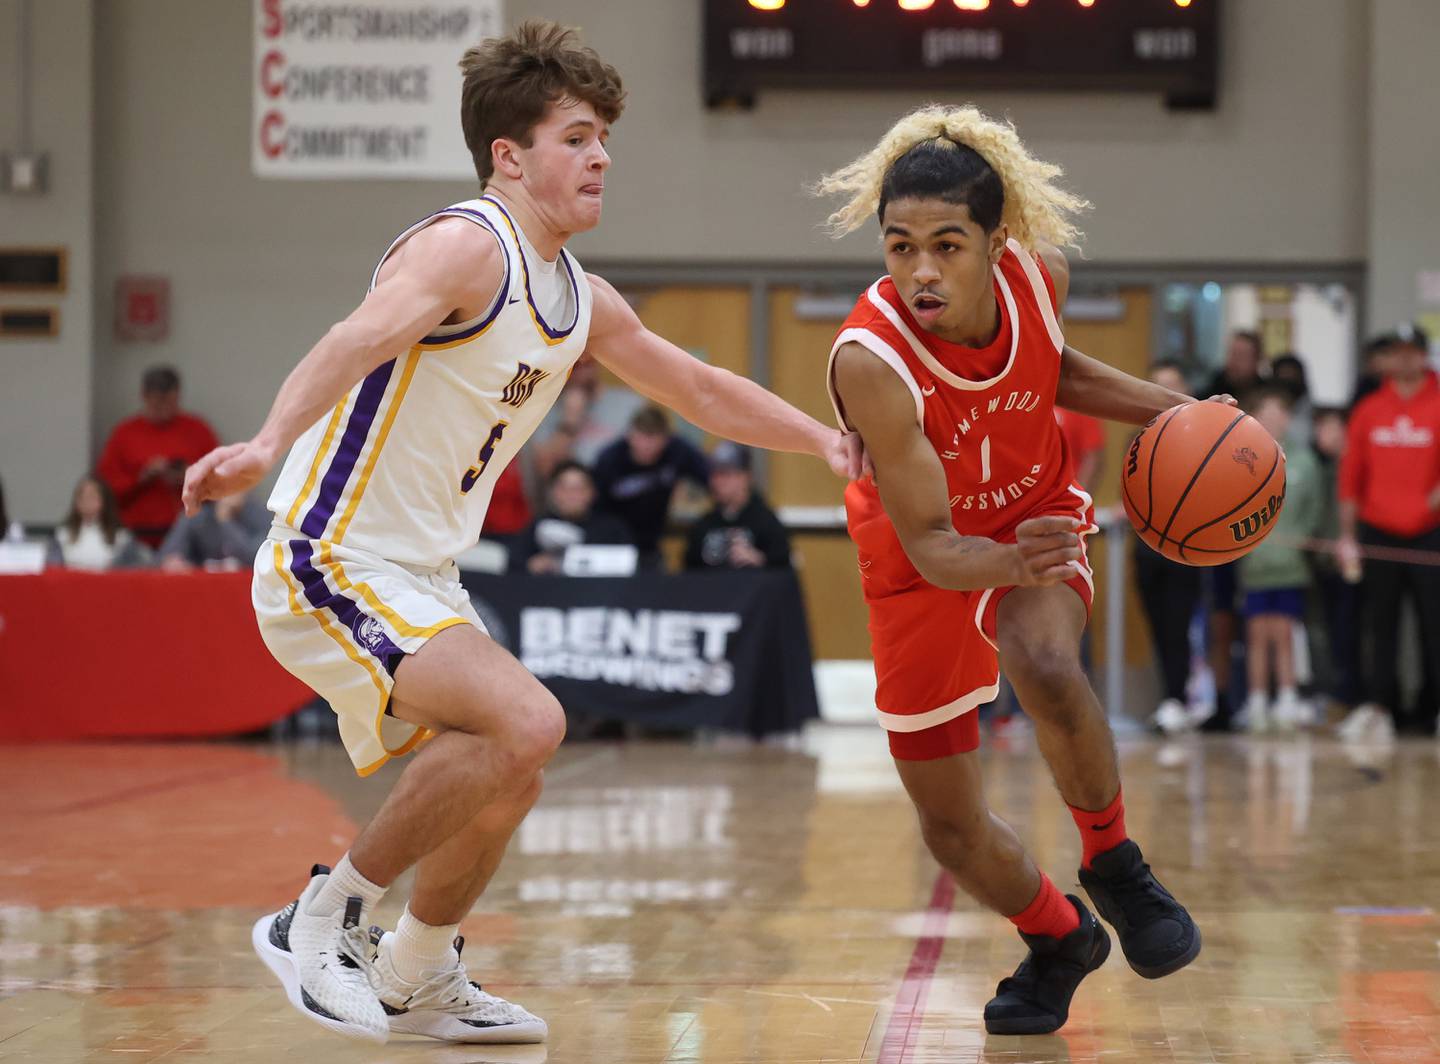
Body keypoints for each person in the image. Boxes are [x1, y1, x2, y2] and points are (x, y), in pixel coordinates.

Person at [181, 20, 857, 1046]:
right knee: (530, 719)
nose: (602, 157)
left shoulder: (577, 297)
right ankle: (319, 920)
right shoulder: (464, 245)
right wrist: (266, 438)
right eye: (578, 137)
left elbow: (702, 387)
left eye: (603, 139)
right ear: (510, 154)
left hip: (422, 571)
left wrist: (828, 442)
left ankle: (417, 968)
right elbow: (353, 337)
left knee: (514, 760)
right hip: (331, 553)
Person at [816, 105, 1216, 1036]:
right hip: (923, 558)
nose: (921, 269)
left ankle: (1115, 863)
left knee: (1044, 663)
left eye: (948, 245)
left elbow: (1054, 367)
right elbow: (934, 548)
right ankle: (1059, 936)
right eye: (900, 245)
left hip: (1033, 512)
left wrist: (1181, 413)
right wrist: (1007, 555)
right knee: (949, 830)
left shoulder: (1044, 280)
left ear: (999, 244)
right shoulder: (869, 362)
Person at [1336, 324, 1440, 742]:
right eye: (1396, 352)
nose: (1404, 360)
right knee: (1380, 626)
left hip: (1430, 533)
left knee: (1434, 626)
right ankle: (1381, 707)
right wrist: (1347, 536)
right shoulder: (1369, 409)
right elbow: (1350, 478)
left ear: (1423, 355)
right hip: (1378, 531)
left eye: (1411, 352)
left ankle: (1433, 709)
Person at [1236, 389, 1324, 732]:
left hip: (1290, 566)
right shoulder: (1240, 457)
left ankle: (1287, 696)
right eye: (1266, 413)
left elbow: (1314, 507)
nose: (1274, 420)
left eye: (1280, 413)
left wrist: (1303, 539)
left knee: (1285, 633)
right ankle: (1257, 699)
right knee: (1256, 634)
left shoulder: (1304, 462)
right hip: (1255, 565)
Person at [1134, 362, 1206, 735]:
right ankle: (1169, 699)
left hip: (1185, 549)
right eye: (1156, 385)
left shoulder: (1203, 439)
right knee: (1158, 628)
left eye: (1171, 385)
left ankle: (1181, 698)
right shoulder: (1142, 436)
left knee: (1180, 628)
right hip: (1146, 548)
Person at [97, 366, 220, 548]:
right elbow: (105, 489)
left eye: (169, 403)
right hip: (135, 534)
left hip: (189, 534)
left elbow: (221, 482)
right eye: (157, 403)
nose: (164, 410)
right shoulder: (124, 434)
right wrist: (141, 478)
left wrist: (188, 478)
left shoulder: (198, 430)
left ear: (177, 397)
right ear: (145, 397)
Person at [591, 404, 711, 565]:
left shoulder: (679, 452)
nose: (647, 446)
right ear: (629, 435)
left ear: (666, 439)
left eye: (653, 438)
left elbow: (711, 479)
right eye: (641, 437)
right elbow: (594, 504)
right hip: (612, 543)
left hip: (652, 542)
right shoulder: (609, 459)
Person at [1309, 406, 1361, 707]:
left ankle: (1354, 695)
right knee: (1331, 631)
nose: (1322, 435)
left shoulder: (1354, 464)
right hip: (1325, 563)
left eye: (1328, 427)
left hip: (1353, 562)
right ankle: (1338, 695)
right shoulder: (1323, 467)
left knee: (1350, 630)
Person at [683, 442, 792, 570]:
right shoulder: (704, 525)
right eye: (714, 475)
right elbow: (689, 571)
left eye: (725, 474)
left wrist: (760, 560)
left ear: (745, 477)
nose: (717, 482)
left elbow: (783, 566)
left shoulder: (766, 521)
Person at [510, 460, 630, 574]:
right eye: (565, 488)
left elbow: (629, 563)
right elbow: (513, 563)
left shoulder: (612, 530)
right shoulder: (538, 527)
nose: (572, 495)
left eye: (579, 488)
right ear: (553, 492)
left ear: (592, 492)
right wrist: (532, 565)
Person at [47, 475, 148, 571]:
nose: (86, 501)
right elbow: (53, 569)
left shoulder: (122, 537)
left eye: (92, 496)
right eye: (81, 496)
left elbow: (138, 568)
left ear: (104, 501)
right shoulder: (62, 535)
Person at [157, 490, 270, 572]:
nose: (229, 488)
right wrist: (174, 562)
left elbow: (260, 559)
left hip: (247, 590)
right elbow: (166, 556)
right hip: (203, 590)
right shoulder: (197, 515)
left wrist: (225, 520)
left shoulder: (260, 513)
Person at [1203, 329, 1264, 402]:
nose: (1234, 362)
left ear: (1256, 360)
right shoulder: (1213, 390)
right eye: (1232, 354)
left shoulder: (1265, 396)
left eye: (1241, 356)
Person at [1052, 407, 1104, 490]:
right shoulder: (1034, 403)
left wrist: (1081, 494)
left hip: (1068, 491)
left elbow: (1093, 457)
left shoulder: (1080, 408)